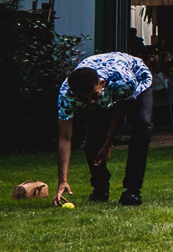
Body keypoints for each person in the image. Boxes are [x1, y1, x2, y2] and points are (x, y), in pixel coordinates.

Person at [54, 51, 155, 206]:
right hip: (108, 85)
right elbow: (65, 138)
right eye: (84, 99)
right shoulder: (66, 94)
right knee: (93, 140)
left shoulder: (123, 81)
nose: (91, 102)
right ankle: (100, 189)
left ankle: (132, 190)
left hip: (138, 77)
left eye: (94, 96)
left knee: (142, 126)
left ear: (101, 84)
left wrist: (108, 144)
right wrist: (62, 181)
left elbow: (120, 109)